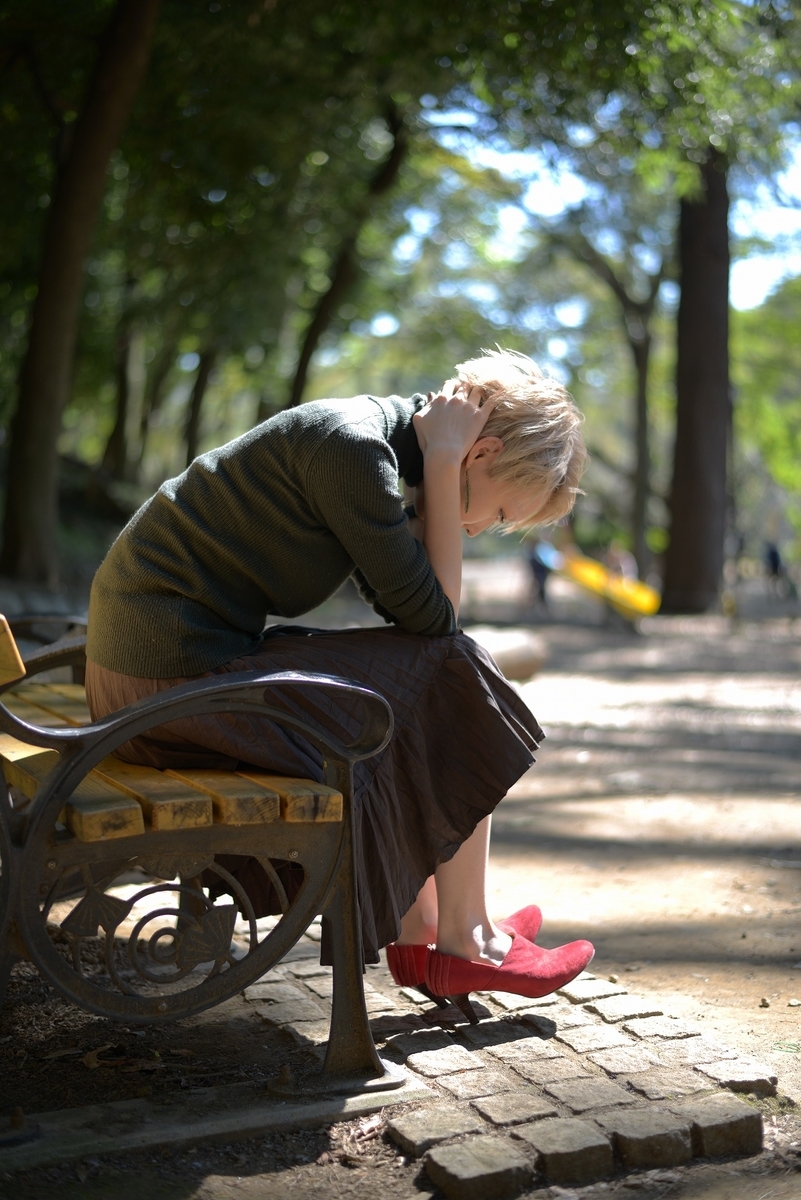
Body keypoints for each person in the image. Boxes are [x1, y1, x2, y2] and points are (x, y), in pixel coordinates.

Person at [85, 349, 594, 1016]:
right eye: (497, 513)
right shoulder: (354, 450)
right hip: (162, 691)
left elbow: (411, 616)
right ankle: (463, 938)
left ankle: (429, 929)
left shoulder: (376, 454)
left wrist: (438, 476)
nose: (479, 528)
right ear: (481, 452)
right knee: (453, 671)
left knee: (427, 680)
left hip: (168, 678)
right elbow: (437, 625)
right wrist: (442, 469)